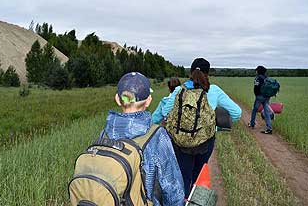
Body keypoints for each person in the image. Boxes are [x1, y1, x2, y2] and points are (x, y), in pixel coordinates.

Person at [158, 58, 242, 197]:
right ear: (207, 74)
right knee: (198, 175)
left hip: (181, 141)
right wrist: (215, 127)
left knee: (184, 175)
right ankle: (195, 198)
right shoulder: (214, 90)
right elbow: (236, 113)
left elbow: (165, 112)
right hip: (205, 142)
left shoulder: (179, 90)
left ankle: (182, 200)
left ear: (191, 72)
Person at [104, 72, 185, 206]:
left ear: (118, 99)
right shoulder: (158, 136)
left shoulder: (104, 134)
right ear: (148, 101)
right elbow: (172, 188)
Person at [248, 65, 272, 134]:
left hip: (259, 96)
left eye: (256, 70)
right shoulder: (266, 77)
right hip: (267, 96)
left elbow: (256, 87)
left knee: (254, 110)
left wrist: (257, 94)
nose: (256, 71)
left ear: (259, 71)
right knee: (266, 112)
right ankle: (269, 128)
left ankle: (252, 123)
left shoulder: (258, 78)